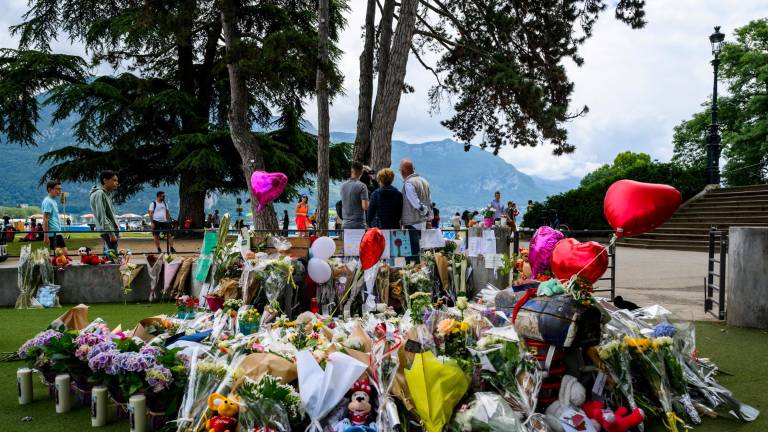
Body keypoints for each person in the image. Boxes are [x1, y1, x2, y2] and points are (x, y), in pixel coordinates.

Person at [90, 170, 120, 255]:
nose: (117, 183)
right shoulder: (100, 194)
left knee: (108, 256)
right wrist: (111, 234)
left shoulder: (106, 193)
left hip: (109, 230)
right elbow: (102, 216)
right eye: (114, 180)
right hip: (108, 230)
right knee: (113, 257)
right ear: (105, 180)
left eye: (117, 180)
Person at [42, 180, 68, 256]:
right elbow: (45, 219)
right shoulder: (48, 201)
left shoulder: (53, 201)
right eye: (57, 189)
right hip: (53, 233)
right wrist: (46, 236)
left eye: (60, 189)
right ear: (50, 189)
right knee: (61, 255)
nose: (59, 191)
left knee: (61, 255)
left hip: (57, 231)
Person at [340, 161, 370, 229]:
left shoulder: (343, 185)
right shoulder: (362, 186)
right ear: (362, 172)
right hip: (359, 224)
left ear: (351, 170)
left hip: (345, 223)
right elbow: (365, 206)